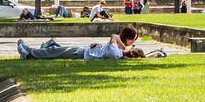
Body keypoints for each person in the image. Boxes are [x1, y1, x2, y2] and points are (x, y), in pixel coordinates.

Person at [17, 25, 165, 60]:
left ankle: (29, 53)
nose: (132, 44)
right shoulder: (119, 52)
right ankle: (47, 45)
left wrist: (124, 46)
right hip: (87, 50)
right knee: (58, 49)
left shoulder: (117, 52)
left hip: (83, 53)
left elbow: (113, 36)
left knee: (56, 52)